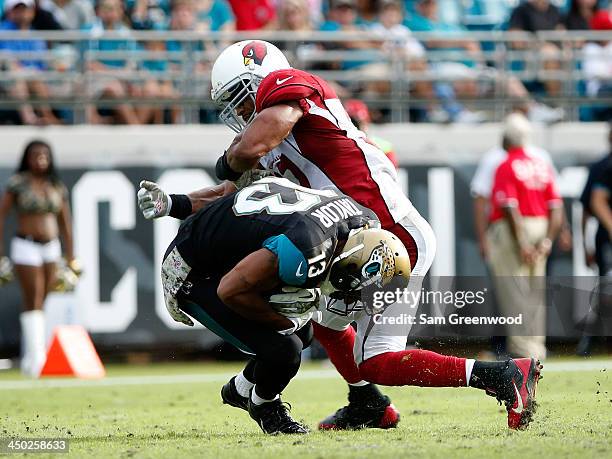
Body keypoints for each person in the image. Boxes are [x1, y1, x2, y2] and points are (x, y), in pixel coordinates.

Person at [140, 40, 543, 431]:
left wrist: (228, 160)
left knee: (377, 358)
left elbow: (253, 145)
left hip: (390, 235)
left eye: (239, 97)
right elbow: (233, 197)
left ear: (259, 79)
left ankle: (502, 375)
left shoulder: (288, 89)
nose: (237, 111)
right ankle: (367, 404)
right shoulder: (270, 142)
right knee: (329, 326)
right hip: (351, 237)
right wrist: (173, 203)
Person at [144, 176, 407, 434]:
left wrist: (176, 204)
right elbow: (230, 290)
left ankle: (242, 388)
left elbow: (238, 199)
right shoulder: (309, 248)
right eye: (355, 287)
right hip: (195, 273)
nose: (351, 296)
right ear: (351, 260)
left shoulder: (360, 221)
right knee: (285, 348)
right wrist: (283, 323)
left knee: (305, 333)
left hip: (226, 253)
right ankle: (265, 407)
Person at [0, 140, 80, 377]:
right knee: (32, 296)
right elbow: (1, 217)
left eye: (44, 155)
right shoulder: (18, 184)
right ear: (27, 158)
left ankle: (31, 355)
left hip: (51, 246)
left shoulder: (55, 185)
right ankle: (37, 359)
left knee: (44, 298)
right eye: (35, 155)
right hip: (26, 244)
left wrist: (71, 256)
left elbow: (66, 222)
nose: (40, 159)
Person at [487, 113, 563, 360]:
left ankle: (523, 351)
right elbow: (556, 206)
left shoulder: (506, 164)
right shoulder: (541, 164)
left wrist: (521, 242)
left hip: (515, 228)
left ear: (506, 138)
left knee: (514, 289)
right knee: (535, 290)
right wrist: (548, 240)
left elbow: (509, 205)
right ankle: (537, 347)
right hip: (542, 224)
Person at [577, 123, 612, 355]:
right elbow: (593, 203)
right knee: (606, 289)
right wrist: (587, 245)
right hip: (607, 241)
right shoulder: (604, 167)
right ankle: (593, 339)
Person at [0, 0, 61, 125]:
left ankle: (48, 117)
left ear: (32, 11)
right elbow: (7, 60)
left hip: (33, 77)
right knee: (18, 76)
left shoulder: (35, 35)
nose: (22, 13)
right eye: (17, 9)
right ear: (9, 12)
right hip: (8, 79)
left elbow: (41, 64)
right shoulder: (3, 31)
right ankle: (30, 119)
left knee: (33, 77)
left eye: (25, 9)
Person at [344, 98, 398, 168]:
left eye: (359, 122)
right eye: (352, 122)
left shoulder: (384, 147)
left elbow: (392, 173)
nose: (356, 127)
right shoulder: (333, 146)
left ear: (367, 122)